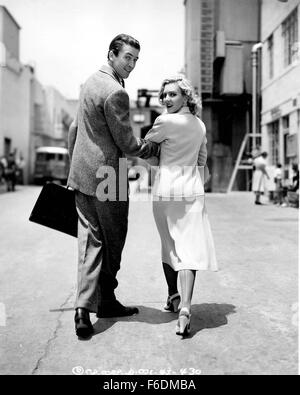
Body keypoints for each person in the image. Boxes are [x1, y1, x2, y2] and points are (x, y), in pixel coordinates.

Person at [67, 34, 159, 339]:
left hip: (83, 175)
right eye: (127, 57)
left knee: (89, 241)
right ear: (112, 54)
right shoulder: (116, 92)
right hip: (110, 176)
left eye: (135, 59)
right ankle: (105, 300)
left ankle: (84, 308)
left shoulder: (90, 82)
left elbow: (74, 128)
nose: (131, 64)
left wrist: (75, 167)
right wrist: (151, 148)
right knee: (114, 240)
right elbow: (127, 143)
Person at [144, 76, 218, 336]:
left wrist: (161, 158)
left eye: (172, 94)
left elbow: (147, 152)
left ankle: (172, 296)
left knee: (169, 246)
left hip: (165, 191)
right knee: (190, 249)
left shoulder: (164, 121)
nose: (166, 99)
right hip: (192, 191)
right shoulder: (199, 125)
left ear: (186, 97)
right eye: (164, 95)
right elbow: (202, 160)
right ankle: (185, 309)